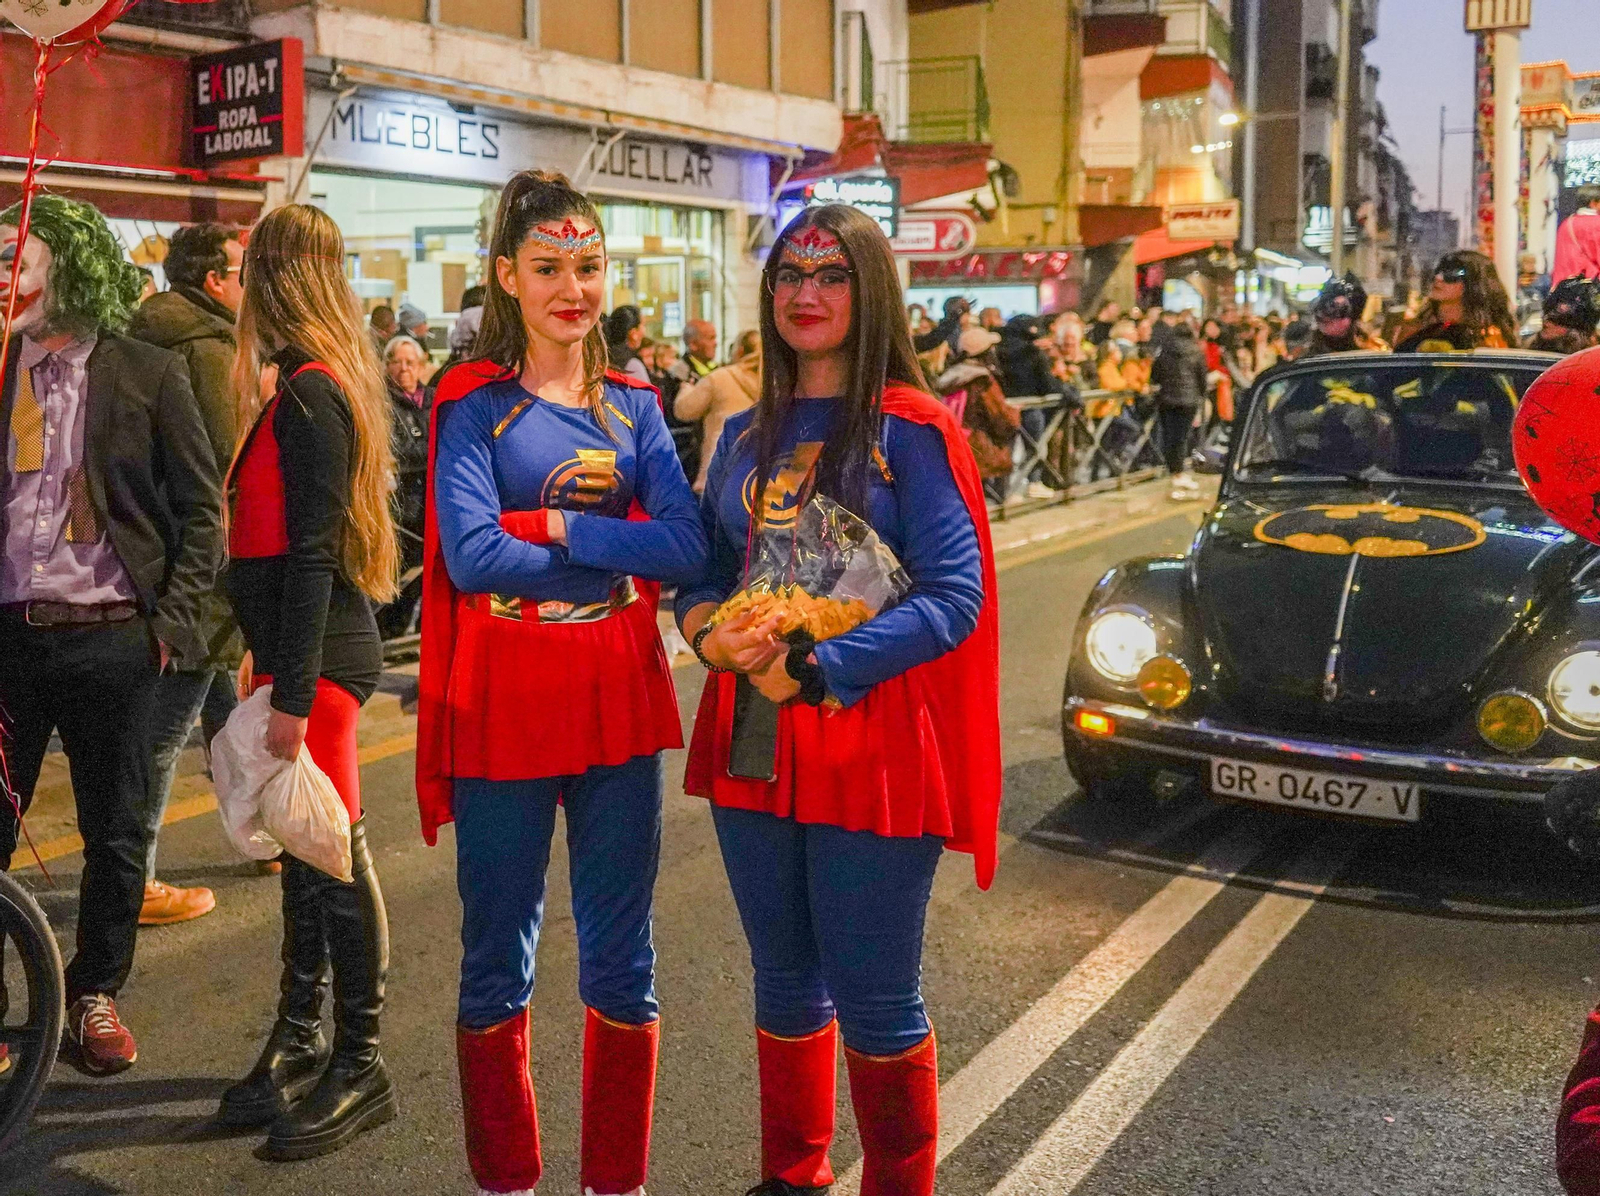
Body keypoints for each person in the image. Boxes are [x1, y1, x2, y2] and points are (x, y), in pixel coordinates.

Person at [675, 205, 1001, 1196]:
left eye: (828, 275)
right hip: (752, 736)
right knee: (781, 977)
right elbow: (696, 566)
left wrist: (829, 660)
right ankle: (794, 1173)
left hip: (870, 734)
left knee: (873, 996)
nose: (804, 294)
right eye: (787, 275)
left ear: (869, 292)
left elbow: (957, 594)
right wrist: (702, 631)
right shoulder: (743, 433)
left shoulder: (913, 425)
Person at [418, 170, 706, 1196]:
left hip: (617, 692)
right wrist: (616, 557)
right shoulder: (469, 403)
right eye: (547, 268)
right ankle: (506, 1178)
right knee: (498, 947)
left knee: (624, 952)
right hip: (507, 695)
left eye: (587, 266)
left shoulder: (635, 404)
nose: (570, 288)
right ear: (507, 275)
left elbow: (686, 542)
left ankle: (614, 1182)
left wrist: (562, 527)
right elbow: (469, 556)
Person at [0, 195, 221, 1074]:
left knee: (117, 832)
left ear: (77, 270)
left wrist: (170, 625)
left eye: (25, 258)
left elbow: (205, 512)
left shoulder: (145, 371)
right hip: (10, 638)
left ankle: (95, 994)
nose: (9, 272)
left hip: (115, 637)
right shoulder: (1, 366)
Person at [216, 203, 399, 1159]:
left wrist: (287, 690)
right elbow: (274, 542)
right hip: (297, 656)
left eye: (253, 269)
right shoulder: (303, 385)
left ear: (277, 278)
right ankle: (299, 1038)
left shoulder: (311, 393)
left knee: (334, 856)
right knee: (304, 855)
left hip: (320, 664)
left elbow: (314, 553)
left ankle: (358, 1061)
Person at [126, 221, 247, 926]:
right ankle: (134, 879)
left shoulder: (143, 333)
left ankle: (265, 830)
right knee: (167, 729)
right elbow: (228, 461)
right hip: (204, 568)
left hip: (162, 557)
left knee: (226, 712)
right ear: (212, 283)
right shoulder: (207, 349)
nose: (247, 285)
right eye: (240, 272)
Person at [996, 313, 1077, 499]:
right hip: (1031, 406)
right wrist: (1066, 390)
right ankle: (1033, 482)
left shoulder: (1000, 350)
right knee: (1034, 447)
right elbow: (1046, 384)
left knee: (1006, 449)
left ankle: (1005, 490)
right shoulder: (1033, 353)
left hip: (1005, 406)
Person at [675, 328, 762, 492]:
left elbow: (684, 410)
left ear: (740, 350)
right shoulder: (773, 380)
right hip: (758, 471)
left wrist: (685, 389)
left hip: (719, 467)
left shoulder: (721, 377)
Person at [1394, 250, 1518, 352]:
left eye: (1453, 274)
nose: (1439, 278)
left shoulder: (1488, 339)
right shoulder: (1418, 330)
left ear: (1475, 284)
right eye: (1439, 271)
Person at [384, 334, 431, 575]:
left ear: (421, 366)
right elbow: (395, 451)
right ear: (386, 365)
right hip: (402, 509)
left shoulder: (435, 399)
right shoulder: (382, 404)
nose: (404, 368)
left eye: (410, 362)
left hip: (433, 505)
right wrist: (435, 449)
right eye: (396, 362)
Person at [1149, 321, 1208, 499]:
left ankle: (1172, 470)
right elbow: (1201, 376)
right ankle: (1179, 472)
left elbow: (1155, 374)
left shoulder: (1164, 351)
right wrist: (1201, 394)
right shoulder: (1196, 351)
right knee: (1182, 436)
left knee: (1169, 435)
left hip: (1167, 399)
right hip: (1189, 400)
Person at [1305, 274, 1386, 357]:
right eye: (1327, 308)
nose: (1332, 315)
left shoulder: (1375, 349)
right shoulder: (1309, 357)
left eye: (1341, 309)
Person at [1526, 277, 1600, 355]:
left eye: (1557, 320)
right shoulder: (1526, 353)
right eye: (1546, 312)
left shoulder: (1593, 360)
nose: (1546, 323)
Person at [1553, 185, 1600, 285]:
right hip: (1588, 287)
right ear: (1594, 203)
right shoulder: (1596, 224)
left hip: (1565, 287)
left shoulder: (1566, 223)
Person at [604, 304, 651, 385]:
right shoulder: (633, 366)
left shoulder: (599, 359)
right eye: (643, 325)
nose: (644, 332)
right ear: (633, 333)